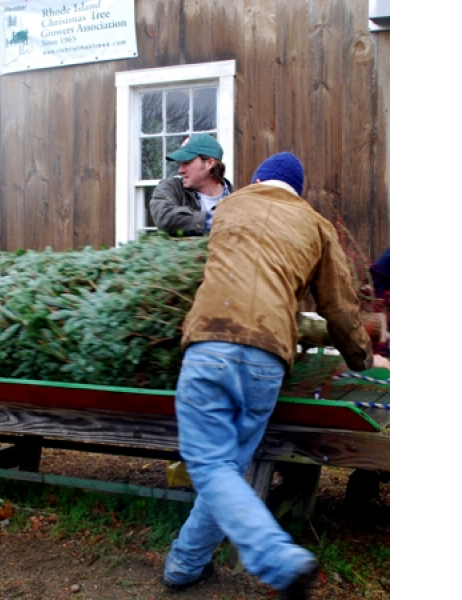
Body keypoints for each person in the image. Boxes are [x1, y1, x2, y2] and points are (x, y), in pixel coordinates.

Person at [161, 152, 390, 599]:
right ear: (297, 192)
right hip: (267, 358)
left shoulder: (230, 206)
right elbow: (340, 308)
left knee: (211, 465)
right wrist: (363, 359)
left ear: (259, 179)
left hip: (211, 343)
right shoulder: (316, 226)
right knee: (224, 469)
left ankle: (277, 558)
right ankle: (184, 566)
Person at [149, 134, 233, 236]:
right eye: (180, 163)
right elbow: (164, 216)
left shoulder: (238, 199)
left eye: (187, 162)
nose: (180, 170)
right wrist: (212, 221)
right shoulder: (171, 188)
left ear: (210, 163)